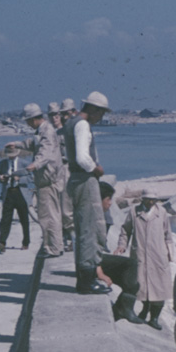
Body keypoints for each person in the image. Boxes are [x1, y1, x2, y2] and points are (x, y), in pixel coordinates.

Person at [62, 91, 112, 294]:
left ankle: (85, 277)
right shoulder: (82, 125)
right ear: (93, 109)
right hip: (84, 179)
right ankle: (87, 280)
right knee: (89, 229)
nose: (101, 118)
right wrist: (96, 169)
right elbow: (83, 158)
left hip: (75, 179)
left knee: (83, 228)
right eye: (100, 113)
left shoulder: (70, 123)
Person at [115, 186, 176, 330]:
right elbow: (125, 230)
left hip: (158, 257)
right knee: (141, 286)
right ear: (143, 199)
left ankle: (154, 318)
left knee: (159, 288)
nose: (150, 203)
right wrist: (122, 245)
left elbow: (168, 235)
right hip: (140, 254)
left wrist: (169, 253)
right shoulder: (134, 212)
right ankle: (143, 311)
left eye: (153, 200)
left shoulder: (161, 213)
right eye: (148, 200)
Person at [16, 103, 64, 258]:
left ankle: (53, 248)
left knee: (48, 217)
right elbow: (33, 144)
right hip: (46, 181)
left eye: (28, 121)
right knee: (49, 216)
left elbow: (45, 153)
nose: (28, 124)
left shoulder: (47, 131)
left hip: (48, 181)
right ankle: (54, 246)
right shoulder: (42, 131)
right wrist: (17, 144)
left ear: (33, 119)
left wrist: (34, 165)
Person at [48, 101, 75, 252]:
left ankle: (72, 238)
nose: (54, 118)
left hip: (66, 170)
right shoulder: (51, 134)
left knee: (67, 207)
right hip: (54, 172)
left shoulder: (67, 131)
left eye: (57, 115)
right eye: (51, 115)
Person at [0, 143, 32, 252]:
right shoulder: (2, 163)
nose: (11, 156)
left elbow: (31, 178)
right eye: (9, 154)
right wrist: (0, 178)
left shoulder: (25, 163)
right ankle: (2, 242)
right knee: (5, 219)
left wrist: (19, 179)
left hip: (20, 193)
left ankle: (26, 242)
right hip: (8, 194)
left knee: (24, 219)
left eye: (13, 154)